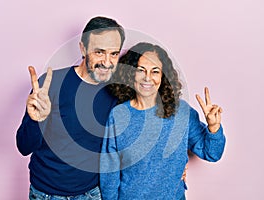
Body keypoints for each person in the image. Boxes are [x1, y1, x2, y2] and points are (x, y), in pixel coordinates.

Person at [16, 16, 125, 199]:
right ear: (83, 48)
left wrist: (175, 166)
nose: (107, 62)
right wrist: (36, 120)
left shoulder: (117, 93)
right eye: (99, 52)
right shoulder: (50, 84)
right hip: (46, 194)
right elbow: (24, 147)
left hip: (91, 194)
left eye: (114, 54)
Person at [100, 42, 226, 200]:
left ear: (163, 76)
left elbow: (212, 153)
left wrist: (213, 127)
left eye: (155, 71)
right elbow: (109, 169)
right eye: (141, 70)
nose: (148, 77)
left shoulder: (181, 112)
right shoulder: (118, 115)